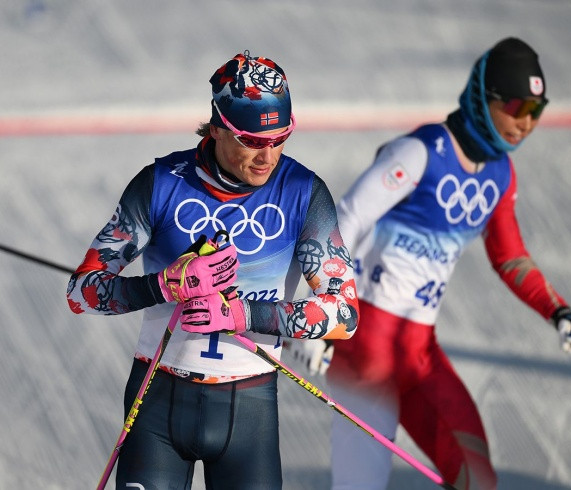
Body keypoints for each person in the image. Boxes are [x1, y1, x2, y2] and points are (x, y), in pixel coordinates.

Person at [291, 37, 571, 489]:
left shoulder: (499, 173)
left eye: (537, 110)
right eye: (516, 106)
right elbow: (347, 219)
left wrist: (559, 311)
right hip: (364, 352)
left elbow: (510, 256)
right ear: (483, 96)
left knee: (476, 476)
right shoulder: (420, 151)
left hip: (418, 353)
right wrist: (318, 310)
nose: (526, 123)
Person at [66, 51, 359, 490]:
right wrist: (163, 285)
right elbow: (81, 292)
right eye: (251, 141)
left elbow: (345, 314)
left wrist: (244, 316)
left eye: (280, 138)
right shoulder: (162, 182)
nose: (268, 156)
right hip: (157, 403)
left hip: (249, 408)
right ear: (218, 126)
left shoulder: (303, 192)